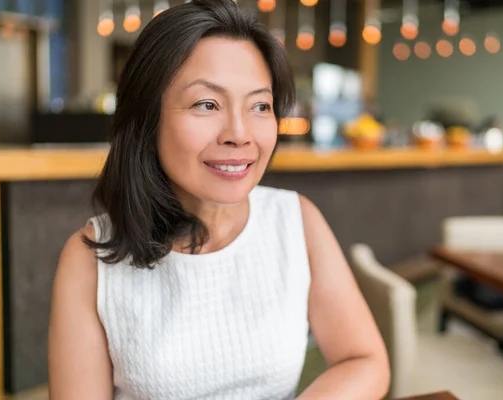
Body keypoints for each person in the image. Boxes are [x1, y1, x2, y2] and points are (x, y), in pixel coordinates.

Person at [47, 1, 389, 399]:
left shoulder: (294, 220)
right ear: (146, 119)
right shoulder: (90, 259)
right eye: (206, 104)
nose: (240, 133)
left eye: (260, 106)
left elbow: (363, 360)